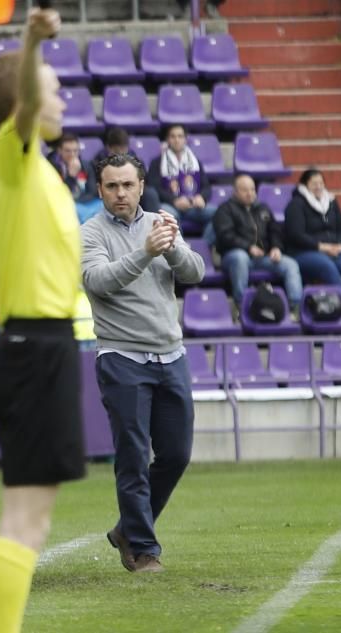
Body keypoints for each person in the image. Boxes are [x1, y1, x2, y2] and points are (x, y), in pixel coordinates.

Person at [0, 10, 87, 633]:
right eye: (50, 82)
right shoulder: (5, 157)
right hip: (35, 347)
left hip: (44, 345)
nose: (61, 95)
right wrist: (31, 40)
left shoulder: (27, 167)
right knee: (25, 518)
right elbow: (22, 116)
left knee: (31, 518)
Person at [82, 152, 203, 572]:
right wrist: (146, 253)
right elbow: (97, 282)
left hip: (171, 353)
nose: (120, 193)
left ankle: (126, 529)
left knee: (176, 454)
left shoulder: (162, 222)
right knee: (133, 456)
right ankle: (143, 549)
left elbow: (195, 272)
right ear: (99, 189)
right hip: (122, 356)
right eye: (111, 186)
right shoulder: (90, 233)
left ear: (141, 186)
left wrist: (170, 249)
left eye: (127, 185)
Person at [284, 169, 341, 324]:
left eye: (321, 183)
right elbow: (296, 235)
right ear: (305, 185)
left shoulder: (332, 202)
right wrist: (323, 247)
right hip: (303, 252)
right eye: (314, 183)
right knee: (326, 265)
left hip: (332, 249)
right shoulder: (296, 205)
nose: (318, 186)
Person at [212, 173, 303, 317]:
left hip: (262, 257)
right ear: (235, 191)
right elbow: (225, 236)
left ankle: (294, 309)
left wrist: (276, 247)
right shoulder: (224, 210)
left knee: (290, 264)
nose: (250, 194)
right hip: (233, 256)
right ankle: (241, 306)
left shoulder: (263, 208)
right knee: (240, 258)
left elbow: (275, 231)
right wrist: (248, 246)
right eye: (245, 190)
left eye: (252, 190)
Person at [147, 124, 217, 242]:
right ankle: (181, 251)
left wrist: (201, 197)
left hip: (192, 205)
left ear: (185, 139)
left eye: (180, 136)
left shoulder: (195, 161)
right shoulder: (157, 162)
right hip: (169, 204)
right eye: (173, 136)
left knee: (218, 214)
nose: (177, 140)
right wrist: (174, 200)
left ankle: (203, 247)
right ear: (168, 139)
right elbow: (155, 188)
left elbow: (206, 186)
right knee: (169, 215)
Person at [94, 126, 162, 215]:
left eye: (123, 149)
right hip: (112, 196)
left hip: (132, 193)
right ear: (109, 148)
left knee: (150, 193)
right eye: (117, 151)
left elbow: (145, 181)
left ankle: (154, 223)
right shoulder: (98, 162)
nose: (121, 154)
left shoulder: (135, 160)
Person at [47, 133, 102, 224]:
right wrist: (71, 176)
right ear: (60, 151)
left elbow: (92, 191)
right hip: (63, 205)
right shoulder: (52, 167)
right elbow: (58, 195)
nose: (72, 154)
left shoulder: (86, 165)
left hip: (83, 203)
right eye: (68, 151)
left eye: (75, 151)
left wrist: (79, 203)